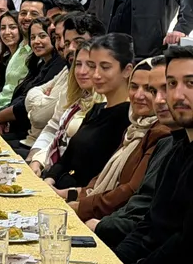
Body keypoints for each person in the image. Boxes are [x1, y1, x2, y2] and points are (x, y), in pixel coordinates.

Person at [114, 45, 193, 264]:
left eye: (190, 83)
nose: (177, 95)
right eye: (172, 84)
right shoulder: (175, 147)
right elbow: (150, 223)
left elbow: (184, 246)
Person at [65, 58, 171, 221]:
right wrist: (77, 195)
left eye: (149, 89)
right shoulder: (134, 128)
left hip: (115, 220)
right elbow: (101, 177)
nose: (138, 95)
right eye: (134, 87)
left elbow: (130, 190)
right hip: (102, 211)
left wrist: (81, 207)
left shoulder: (162, 132)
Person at [91, 56, 178, 245]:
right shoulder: (137, 129)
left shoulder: (161, 133)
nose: (159, 99)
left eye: (167, 88)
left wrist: (94, 220)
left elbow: (131, 194)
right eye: (154, 91)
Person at [44, 33, 134, 190]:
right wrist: (49, 179)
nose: (96, 75)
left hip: (79, 197)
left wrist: (64, 193)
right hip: (59, 185)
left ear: (127, 70)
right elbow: (67, 157)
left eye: (105, 67)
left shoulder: (128, 117)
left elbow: (106, 182)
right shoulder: (97, 108)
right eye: (93, 66)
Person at [23, 13, 105, 156]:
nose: (69, 48)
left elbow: (39, 117)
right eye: (67, 43)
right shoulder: (70, 76)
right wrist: (34, 159)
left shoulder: (107, 93)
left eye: (78, 42)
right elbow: (52, 127)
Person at [0, 17, 66, 150]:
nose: (36, 41)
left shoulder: (59, 65)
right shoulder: (39, 64)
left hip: (37, 139)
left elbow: (34, 110)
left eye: (42, 36)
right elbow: (24, 97)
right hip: (24, 132)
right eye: (32, 37)